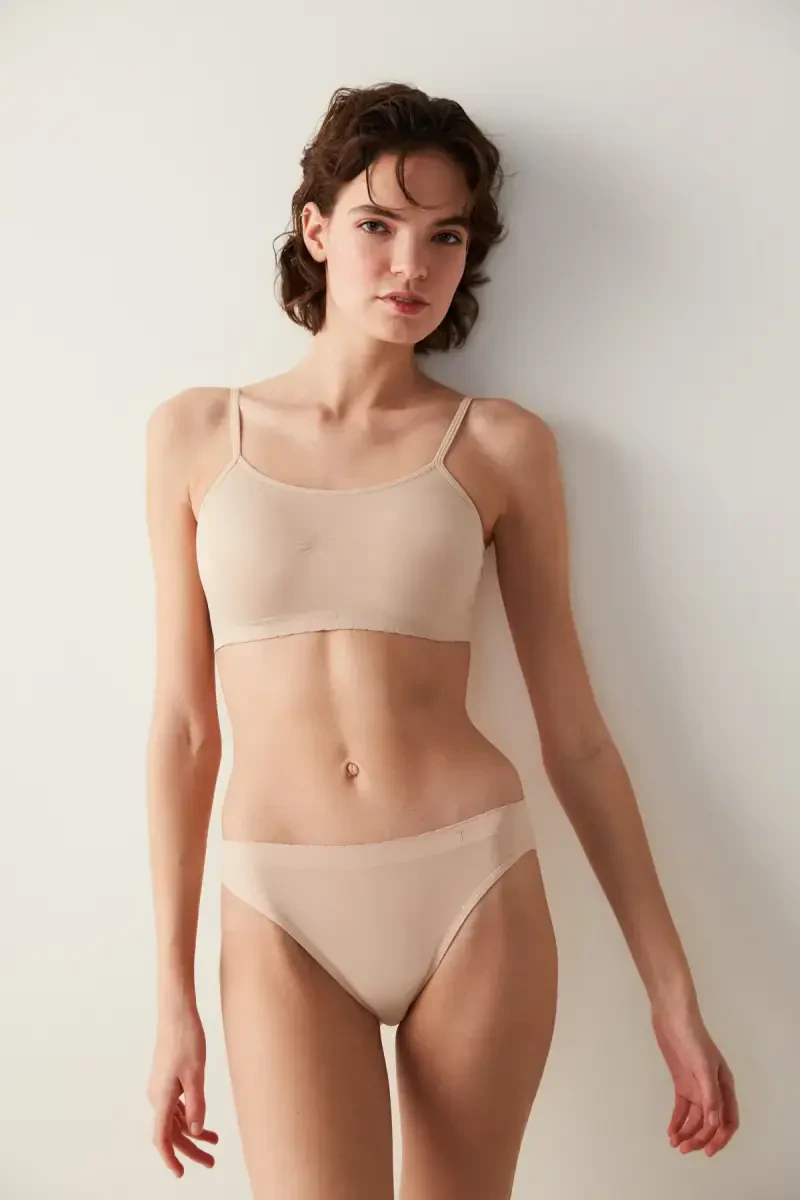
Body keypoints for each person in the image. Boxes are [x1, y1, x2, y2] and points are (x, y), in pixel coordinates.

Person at [144, 82, 739, 1197]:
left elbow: (578, 740)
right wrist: (172, 996)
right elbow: (184, 731)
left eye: (445, 237)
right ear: (317, 229)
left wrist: (673, 996)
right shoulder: (195, 434)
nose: (409, 266)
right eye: (377, 225)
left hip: (471, 884)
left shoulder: (501, 446)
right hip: (278, 900)